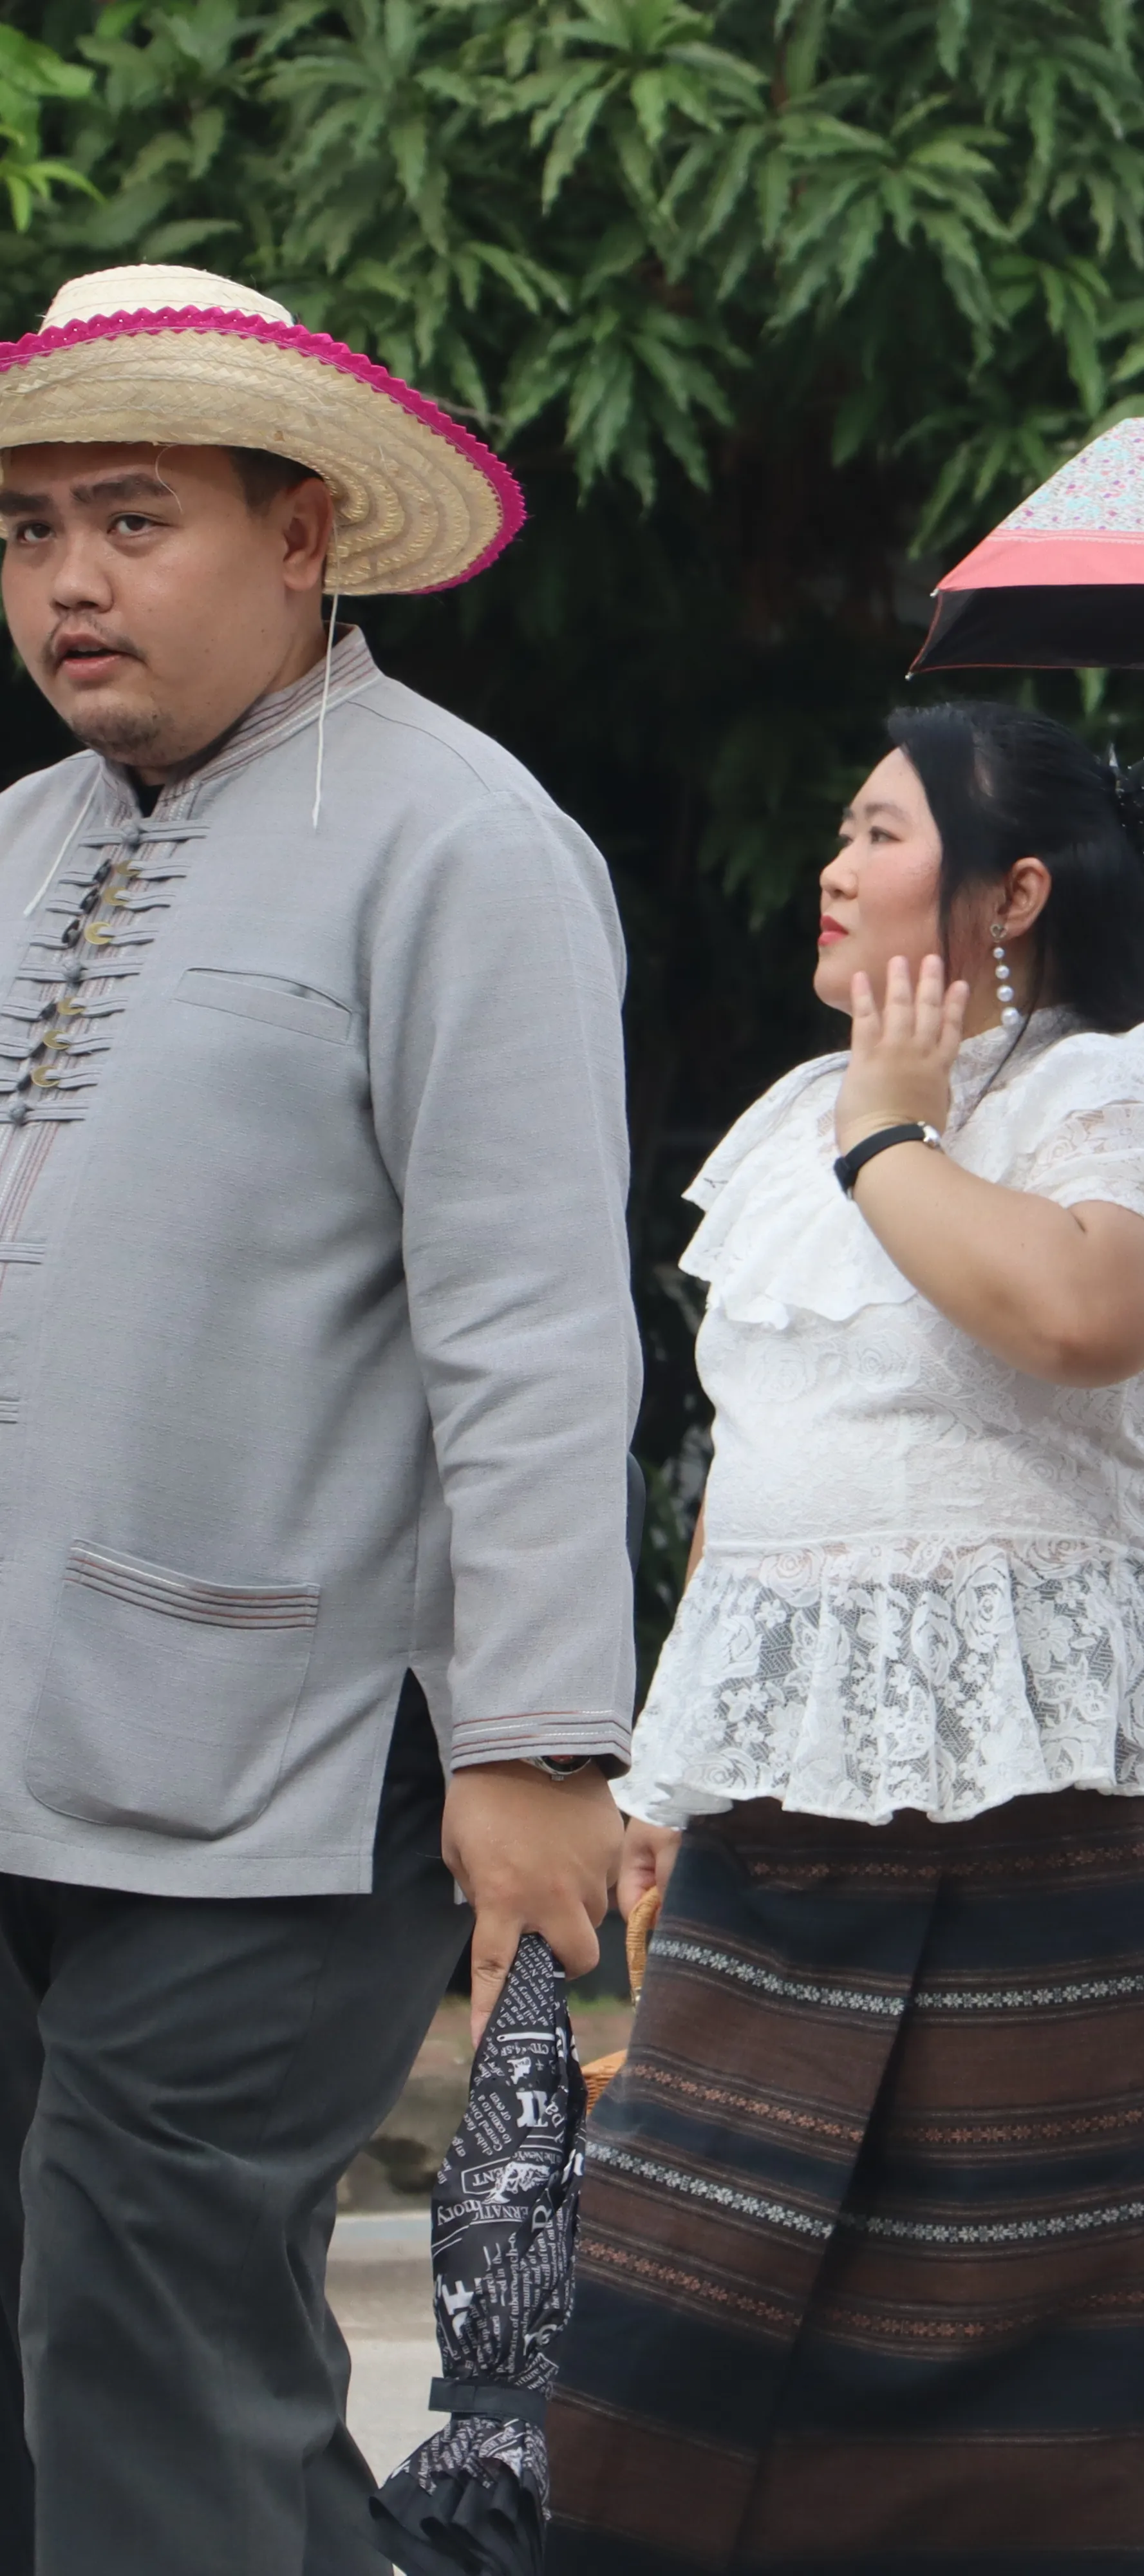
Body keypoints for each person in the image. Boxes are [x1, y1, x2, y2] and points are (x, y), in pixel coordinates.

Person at [0, 264, 634, 2572]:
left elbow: (537, 1322)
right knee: (47, 2360)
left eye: (134, 516)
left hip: (293, 1763)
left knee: (153, 2332)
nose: (69, 578)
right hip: (22, 1738)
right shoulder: (16, 850)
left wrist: (543, 1738)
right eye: (32, 524)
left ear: (301, 537)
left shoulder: (460, 843)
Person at [543, 706, 1144, 2576]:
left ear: (1012, 889)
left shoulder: (1141, 1092)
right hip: (777, 1821)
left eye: (877, 832)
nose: (831, 865)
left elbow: (1077, 1310)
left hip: (1040, 1817)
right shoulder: (792, 1122)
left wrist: (898, 1130)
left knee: (1026, 2423)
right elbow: (764, 1462)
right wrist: (659, 1774)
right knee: (655, 2347)